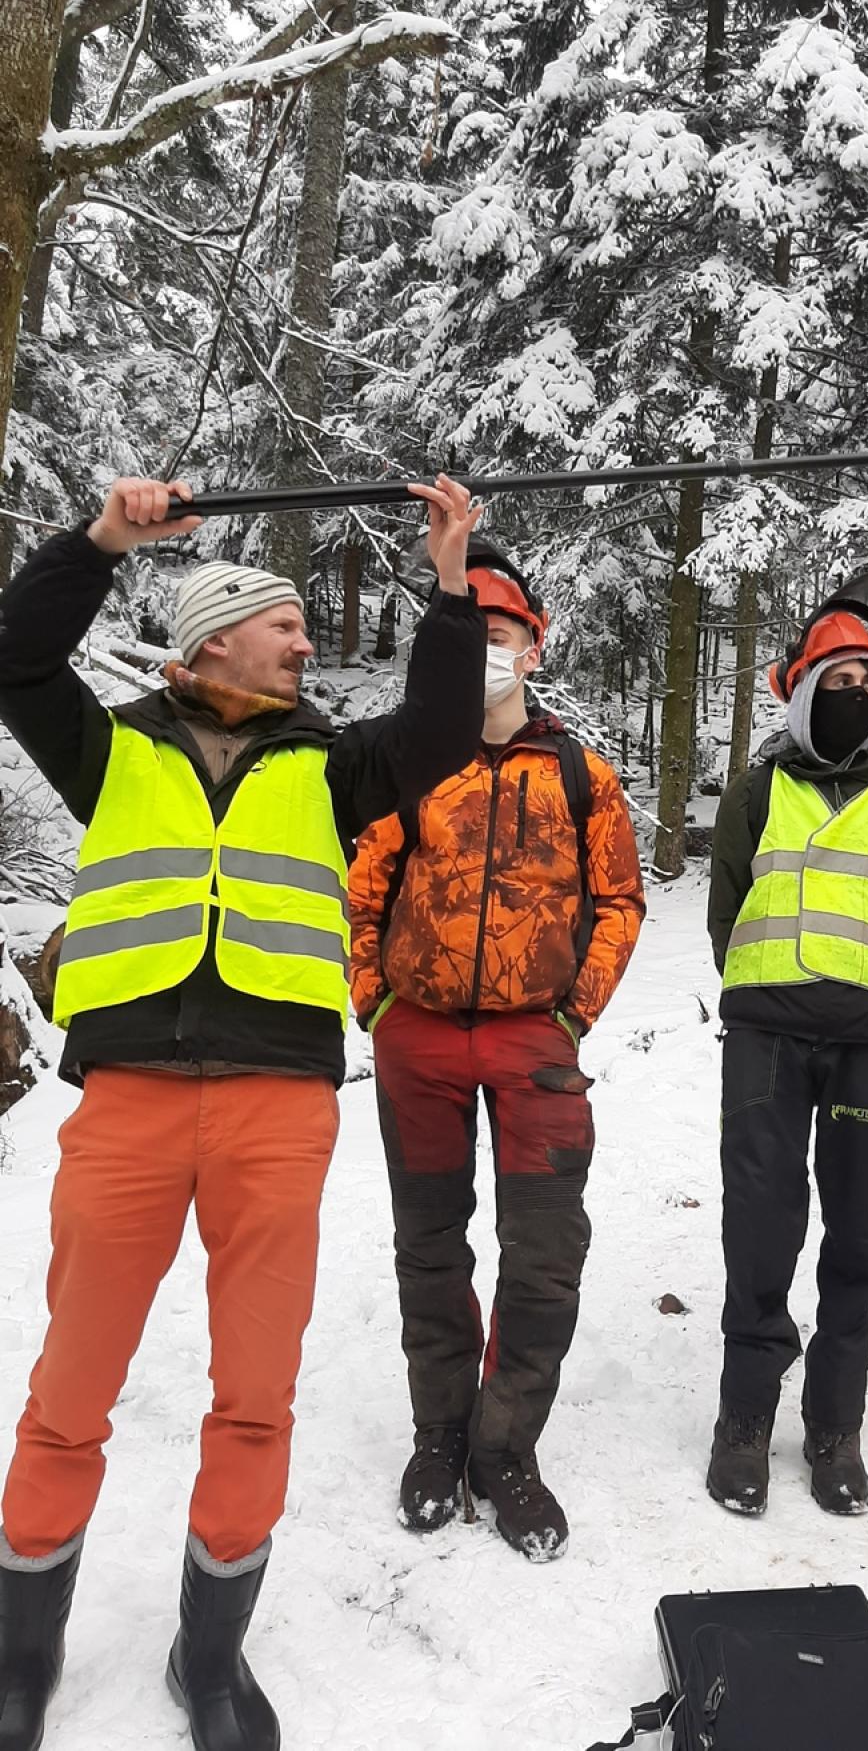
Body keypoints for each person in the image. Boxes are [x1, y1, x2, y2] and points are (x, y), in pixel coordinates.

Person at [0, 473, 484, 1751]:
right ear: (215, 634)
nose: (309, 643)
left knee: (257, 1394)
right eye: (287, 625)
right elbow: (15, 650)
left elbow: (440, 726)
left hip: (276, 1107)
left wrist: (448, 580)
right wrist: (106, 539)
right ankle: (21, 1659)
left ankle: (209, 1658)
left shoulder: (333, 766)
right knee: (68, 1392)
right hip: (129, 1105)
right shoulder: (112, 748)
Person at [349, 540, 644, 1563]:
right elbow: (364, 887)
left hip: (535, 1043)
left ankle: (504, 1447)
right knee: (428, 1247)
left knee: (544, 1251)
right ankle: (438, 1434)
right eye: (467, 628)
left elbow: (619, 899)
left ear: (534, 646)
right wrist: (374, 1000)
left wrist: (574, 1013)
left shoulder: (579, 773)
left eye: (502, 630)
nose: (485, 645)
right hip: (418, 1039)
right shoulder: (405, 766)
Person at [705, 578, 868, 1518]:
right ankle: (744, 1419)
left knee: (857, 1229)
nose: (858, 692)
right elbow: (725, 907)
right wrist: (766, 985)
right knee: (760, 1223)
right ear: (801, 687)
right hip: (766, 1033)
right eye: (840, 676)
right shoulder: (755, 792)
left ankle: (835, 1423)